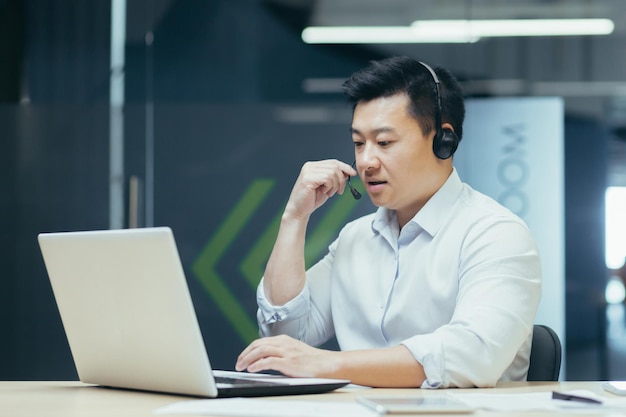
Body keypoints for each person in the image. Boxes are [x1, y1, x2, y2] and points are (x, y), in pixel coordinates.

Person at [235, 56, 542, 388]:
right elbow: (286, 336)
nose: (366, 161)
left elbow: (470, 356)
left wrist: (329, 364)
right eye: (358, 143)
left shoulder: (495, 234)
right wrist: (294, 218)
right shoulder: (355, 238)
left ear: (443, 140)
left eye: (384, 143)